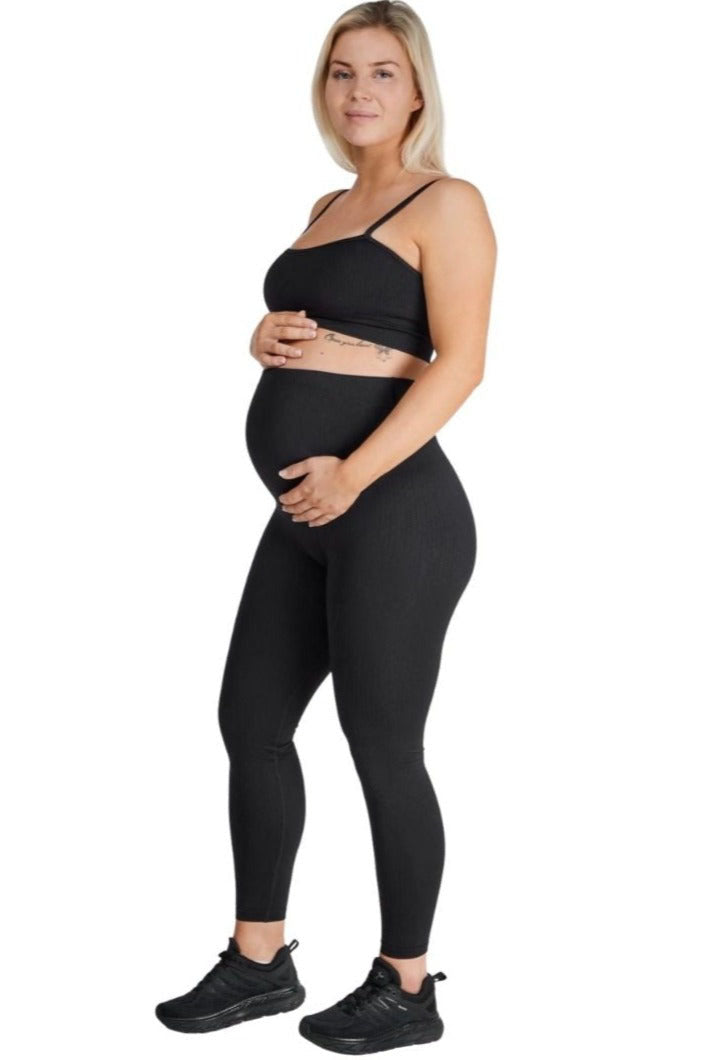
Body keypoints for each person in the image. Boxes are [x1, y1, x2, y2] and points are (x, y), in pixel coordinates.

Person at [155, 1, 496, 1052]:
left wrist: (353, 473)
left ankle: (407, 985)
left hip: (395, 511)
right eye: (343, 72)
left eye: (383, 73)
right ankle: (260, 961)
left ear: (418, 89)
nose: (359, 91)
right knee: (249, 721)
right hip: (304, 514)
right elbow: (335, 330)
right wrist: (262, 336)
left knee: (381, 743)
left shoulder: (449, 202)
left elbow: (460, 364)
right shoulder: (328, 204)